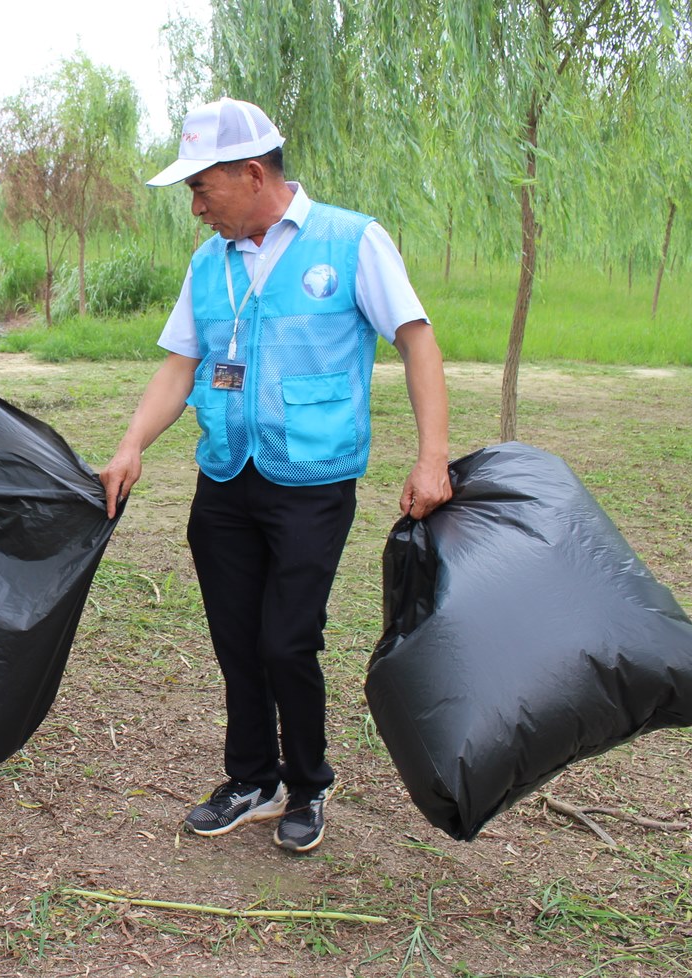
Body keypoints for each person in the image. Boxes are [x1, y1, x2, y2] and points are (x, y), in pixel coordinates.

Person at [99, 97, 452, 854]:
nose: (196, 207)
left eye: (202, 188)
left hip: (311, 480)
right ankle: (252, 778)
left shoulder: (350, 242)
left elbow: (416, 341)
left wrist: (432, 457)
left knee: (287, 640)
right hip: (226, 476)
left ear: (253, 174)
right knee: (236, 638)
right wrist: (131, 445)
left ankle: (308, 782)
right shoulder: (210, 263)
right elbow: (181, 366)